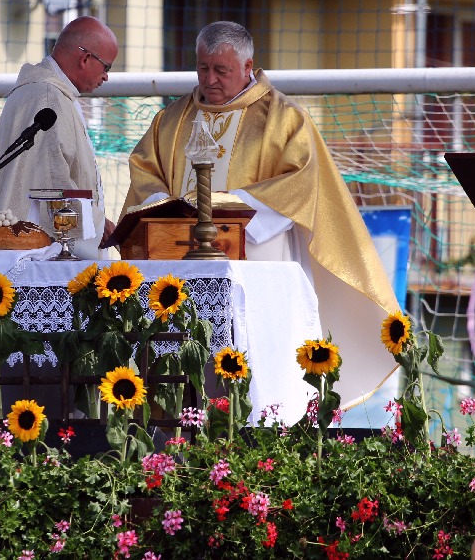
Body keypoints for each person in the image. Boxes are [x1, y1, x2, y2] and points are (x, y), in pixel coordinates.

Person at [120, 21, 399, 411]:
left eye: (222, 70)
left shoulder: (282, 118)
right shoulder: (172, 120)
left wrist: (226, 205)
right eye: (203, 68)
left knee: (255, 364)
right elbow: (144, 176)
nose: (210, 79)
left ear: (248, 66)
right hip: (177, 263)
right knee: (180, 369)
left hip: (256, 255)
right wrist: (170, 207)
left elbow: (300, 183)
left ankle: (260, 435)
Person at [0, 15, 118, 259]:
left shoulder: (36, 90)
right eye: (107, 67)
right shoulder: (50, 98)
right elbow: (52, 181)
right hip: (34, 250)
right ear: (85, 59)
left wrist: (97, 219)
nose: (106, 77)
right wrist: (93, 222)